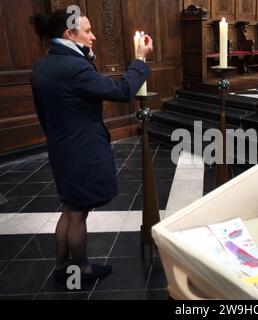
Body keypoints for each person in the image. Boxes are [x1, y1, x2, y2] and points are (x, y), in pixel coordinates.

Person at [31, 9, 153, 281]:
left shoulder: (43, 65)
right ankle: (82, 269)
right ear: (69, 34)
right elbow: (122, 92)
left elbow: (43, 114)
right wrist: (140, 60)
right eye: (87, 31)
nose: (93, 36)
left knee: (70, 208)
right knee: (78, 215)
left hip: (61, 147)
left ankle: (62, 268)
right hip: (81, 151)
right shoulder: (73, 67)